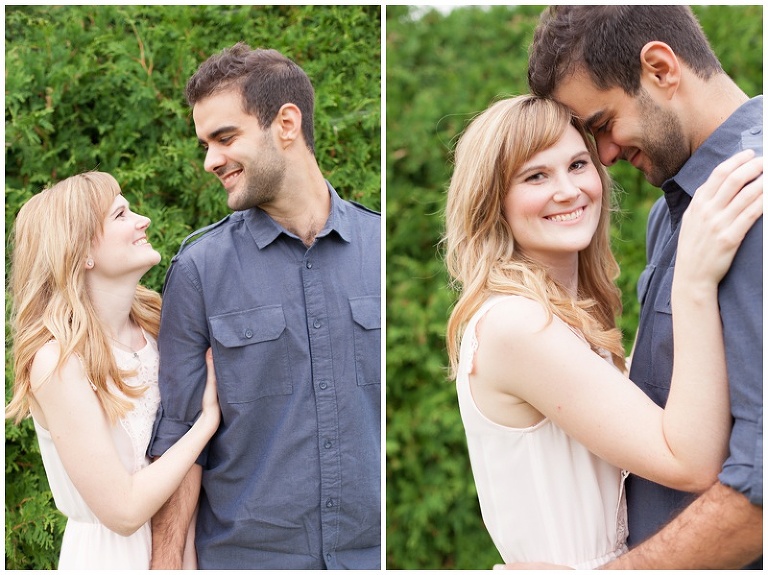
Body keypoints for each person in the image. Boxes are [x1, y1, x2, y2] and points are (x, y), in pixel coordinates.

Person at [443, 95, 762, 568]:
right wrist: (692, 282)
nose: (568, 190)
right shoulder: (517, 324)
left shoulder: (564, 317)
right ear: (494, 202)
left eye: (577, 164)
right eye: (536, 176)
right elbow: (690, 461)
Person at [522, 5, 763, 570]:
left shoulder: (753, 201)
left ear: (660, 68)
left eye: (603, 124)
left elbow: (759, 487)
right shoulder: (671, 215)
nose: (602, 156)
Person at [146, 43, 381, 570]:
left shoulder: (381, 248)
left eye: (225, 138)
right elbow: (180, 441)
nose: (210, 161)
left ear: (287, 124)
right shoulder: (199, 270)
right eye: (205, 143)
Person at [5, 171, 220, 570]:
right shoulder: (59, 362)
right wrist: (207, 423)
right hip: (112, 558)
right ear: (81, 251)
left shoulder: (160, 325)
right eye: (121, 215)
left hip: (184, 543)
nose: (144, 220)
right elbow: (122, 511)